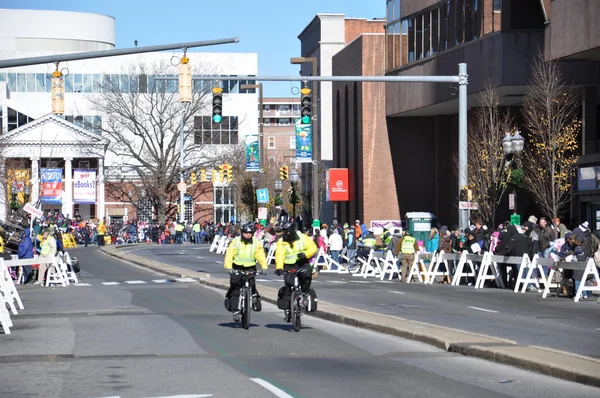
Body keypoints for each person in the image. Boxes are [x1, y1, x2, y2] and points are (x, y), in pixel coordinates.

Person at [224, 223, 268, 322]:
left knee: (252, 283)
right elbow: (229, 255)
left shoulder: (256, 243)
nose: (248, 235)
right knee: (235, 288)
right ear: (242, 233)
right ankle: (235, 311)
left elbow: (260, 255)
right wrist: (229, 267)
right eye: (246, 233)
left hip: (250, 267)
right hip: (237, 267)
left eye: (250, 233)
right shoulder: (235, 242)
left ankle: (254, 296)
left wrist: (264, 267)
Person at [274, 222, 318, 322]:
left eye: (288, 232)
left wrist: (305, 254)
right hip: (289, 265)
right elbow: (279, 254)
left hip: (302, 262)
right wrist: (279, 268)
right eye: (284, 232)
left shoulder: (303, 238)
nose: (285, 235)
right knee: (289, 285)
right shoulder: (281, 241)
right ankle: (288, 309)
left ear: (293, 231)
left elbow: (313, 247)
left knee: (306, 276)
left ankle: (305, 294)